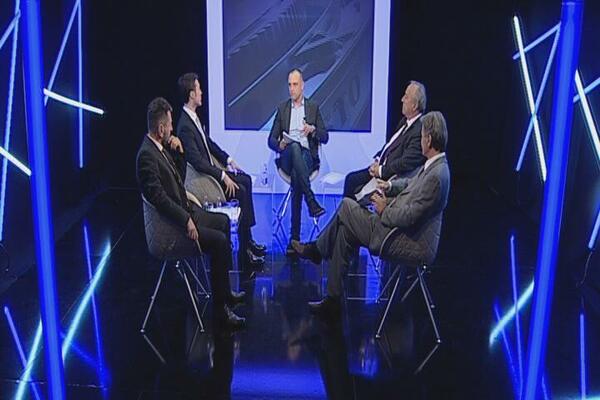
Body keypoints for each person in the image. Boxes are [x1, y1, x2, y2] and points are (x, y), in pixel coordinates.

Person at [293, 111, 451, 318]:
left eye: (422, 136)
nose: (420, 140)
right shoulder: (434, 166)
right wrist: (390, 186)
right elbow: (410, 184)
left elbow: (410, 216)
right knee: (345, 231)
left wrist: (385, 209)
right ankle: (332, 300)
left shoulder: (436, 176)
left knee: (346, 206)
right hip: (395, 229)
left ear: (428, 140)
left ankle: (317, 249)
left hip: (402, 240)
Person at [136, 97, 246, 328]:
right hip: (172, 228)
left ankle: (225, 293)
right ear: (161, 129)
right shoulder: (146, 156)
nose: (172, 129)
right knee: (219, 241)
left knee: (224, 222)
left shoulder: (161, 149)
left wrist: (178, 153)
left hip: (186, 211)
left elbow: (178, 179)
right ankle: (220, 312)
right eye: (169, 125)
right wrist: (186, 220)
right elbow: (160, 200)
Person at [175, 72, 266, 270]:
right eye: (198, 89)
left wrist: (228, 160)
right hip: (203, 180)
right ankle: (244, 253)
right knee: (241, 191)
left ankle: (248, 240)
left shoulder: (193, 118)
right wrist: (223, 175)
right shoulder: (184, 126)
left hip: (212, 172)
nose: (201, 92)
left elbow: (209, 144)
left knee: (245, 179)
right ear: (191, 94)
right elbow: (197, 162)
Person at [268, 68, 329, 254]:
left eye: (295, 84)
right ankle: (311, 201)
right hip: (287, 155)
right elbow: (271, 140)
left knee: (297, 175)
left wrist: (313, 130)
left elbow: (325, 137)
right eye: (289, 85)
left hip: (307, 157)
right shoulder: (282, 109)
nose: (291, 89)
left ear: (303, 86)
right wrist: (280, 145)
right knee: (294, 147)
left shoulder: (313, 108)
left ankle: (294, 239)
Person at [343, 81, 427, 198]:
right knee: (351, 179)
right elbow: (390, 145)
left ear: (415, 105)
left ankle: (349, 209)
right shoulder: (404, 122)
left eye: (406, 97)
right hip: (381, 167)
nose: (402, 99)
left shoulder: (419, 130)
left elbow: (406, 162)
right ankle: (347, 209)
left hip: (390, 175)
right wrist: (378, 159)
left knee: (352, 181)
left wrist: (381, 170)